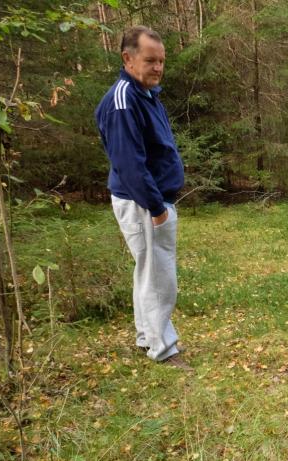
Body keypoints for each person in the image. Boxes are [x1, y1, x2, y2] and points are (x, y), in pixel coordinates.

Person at [95, 26, 188, 367]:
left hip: (151, 200)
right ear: (128, 58)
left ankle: (146, 337)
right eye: (150, 60)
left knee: (147, 271)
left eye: (161, 61)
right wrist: (155, 207)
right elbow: (130, 164)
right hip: (143, 203)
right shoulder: (123, 101)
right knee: (158, 276)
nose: (158, 67)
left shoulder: (146, 95)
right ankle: (163, 348)